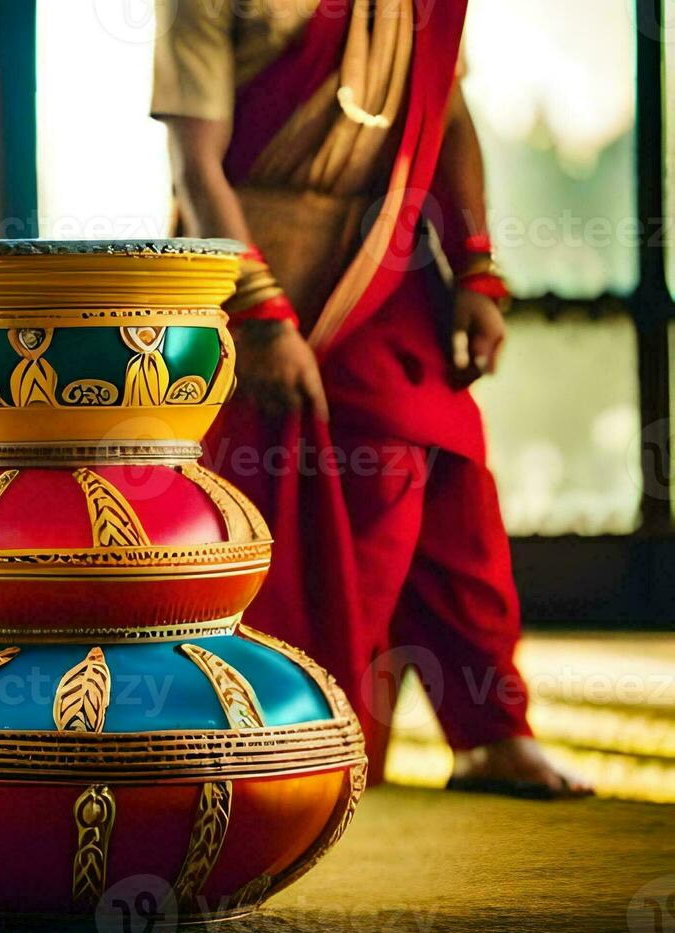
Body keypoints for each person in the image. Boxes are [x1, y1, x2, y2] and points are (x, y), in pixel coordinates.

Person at [151, 0, 590, 797]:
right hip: (257, 267)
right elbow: (194, 166)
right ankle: (303, 738)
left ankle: (490, 732)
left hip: (387, 265)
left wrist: (476, 268)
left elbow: (444, 111)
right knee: (298, 500)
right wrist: (259, 315)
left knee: (451, 470)